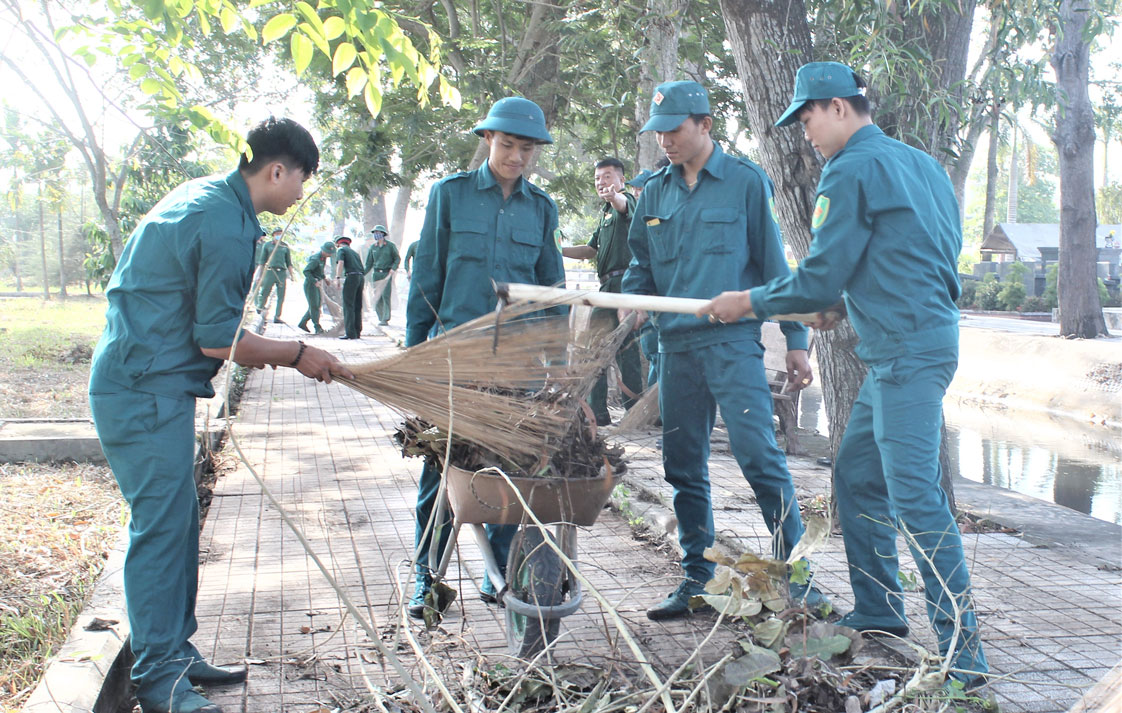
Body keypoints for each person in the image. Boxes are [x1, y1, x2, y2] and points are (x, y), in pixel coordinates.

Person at [698, 61, 989, 688]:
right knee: (856, 475)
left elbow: (822, 272)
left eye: (806, 115)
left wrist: (747, 302)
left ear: (836, 106)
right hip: (908, 343)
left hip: (907, 351)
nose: (803, 129)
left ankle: (965, 655)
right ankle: (882, 607)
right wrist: (841, 305)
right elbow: (914, 253)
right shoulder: (922, 165)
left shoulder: (852, 167)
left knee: (914, 495)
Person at [89, 117, 351, 713]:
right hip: (141, 391)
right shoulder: (226, 224)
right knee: (159, 533)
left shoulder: (208, 197)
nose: (300, 196)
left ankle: (176, 655)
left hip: (152, 386)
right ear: (278, 170)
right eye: (302, 181)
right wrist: (298, 353)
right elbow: (218, 339)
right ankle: (158, 681)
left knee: (179, 525)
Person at [621, 80, 826, 621]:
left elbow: (774, 269)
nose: (664, 140)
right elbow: (641, 264)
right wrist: (633, 301)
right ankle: (696, 579)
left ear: (705, 125)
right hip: (676, 347)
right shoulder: (653, 193)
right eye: (658, 132)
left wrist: (797, 341)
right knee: (683, 466)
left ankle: (798, 578)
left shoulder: (743, 183)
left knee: (759, 457)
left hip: (732, 344)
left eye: (674, 130)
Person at [405, 96, 565, 619]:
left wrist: (557, 367)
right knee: (443, 470)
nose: (517, 157)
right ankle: (426, 576)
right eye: (507, 145)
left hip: (516, 367)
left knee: (506, 473)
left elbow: (551, 294)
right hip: (458, 360)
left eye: (526, 149)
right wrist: (414, 357)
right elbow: (426, 278)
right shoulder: (449, 196)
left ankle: (497, 572)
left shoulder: (542, 209)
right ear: (487, 141)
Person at [561, 157, 642, 426]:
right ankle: (595, 413)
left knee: (625, 348)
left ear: (621, 180)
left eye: (607, 176)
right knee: (594, 348)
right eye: (597, 178)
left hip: (625, 285)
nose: (601, 183)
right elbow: (590, 250)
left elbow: (621, 204)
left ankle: (635, 413)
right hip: (606, 286)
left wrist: (615, 197)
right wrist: (558, 250)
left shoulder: (626, 201)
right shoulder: (604, 214)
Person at [253, 227, 295, 322]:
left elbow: (289, 263)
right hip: (270, 271)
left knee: (281, 295)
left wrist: (292, 276)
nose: (278, 235)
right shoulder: (267, 245)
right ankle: (260, 308)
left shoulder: (285, 247)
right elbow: (262, 262)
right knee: (265, 292)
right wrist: (258, 275)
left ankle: (277, 316)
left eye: (280, 233)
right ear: (273, 235)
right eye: (277, 233)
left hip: (282, 273)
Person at [297, 241, 336, 334]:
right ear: (323, 250)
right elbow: (306, 271)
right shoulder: (315, 259)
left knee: (317, 305)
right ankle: (317, 327)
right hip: (311, 285)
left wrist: (324, 279)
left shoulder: (323, 258)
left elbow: (320, 271)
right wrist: (314, 281)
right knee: (314, 306)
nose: (330, 255)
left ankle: (303, 322)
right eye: (328, 253)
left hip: (317, 283)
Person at [364, 224, 400, 325]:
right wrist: (362, 273)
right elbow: (368, 264)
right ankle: (380, 317)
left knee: (385, 295)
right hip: (376, 274)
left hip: (386, 274)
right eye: (375, 233)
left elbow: (397, 258)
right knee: (377, 296)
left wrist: (393, 269)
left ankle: (386, 318)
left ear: (383, 234)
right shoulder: (373, 247)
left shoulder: (390, 246)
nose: (376, 235)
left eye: (378, 233)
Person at [333, 235, 365, 339]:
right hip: (360, 277)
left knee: (348, 305)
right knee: (357, 305)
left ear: (338, 244)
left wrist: (337, 277)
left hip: (351, 277)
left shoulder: (341, 250)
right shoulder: (354, 252)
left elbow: (341, 263)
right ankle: (357, 331)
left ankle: (350, 333)